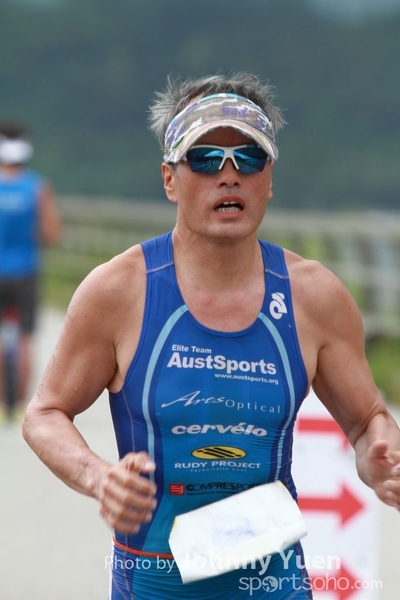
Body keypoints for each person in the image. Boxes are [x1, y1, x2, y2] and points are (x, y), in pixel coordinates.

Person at [22, 73, 400, 599]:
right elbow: (44, 414)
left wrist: (380, 458)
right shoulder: (119, 290)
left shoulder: (315, 296)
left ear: (269, 179)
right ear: (170, 179)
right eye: (204, 159)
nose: (229, 176)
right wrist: (98, 477)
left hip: (273, 581)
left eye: (249, 158)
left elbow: (367, 419)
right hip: (154, 582)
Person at [0, 122, 62, 422]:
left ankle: (2, 401)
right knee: (25, 337)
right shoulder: (37, 187)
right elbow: (52, 233)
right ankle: (22, 404)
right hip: (26, 270)